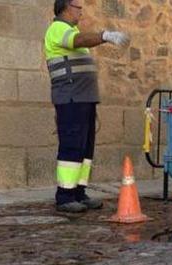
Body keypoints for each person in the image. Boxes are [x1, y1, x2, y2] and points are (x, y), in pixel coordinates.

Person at [43, 0, 128, 213]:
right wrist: (104, 36)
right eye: (77, 7)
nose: (81, 11)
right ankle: (65, 196)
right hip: (70, 98)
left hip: (84, 99)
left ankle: (79, 192)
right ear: (65, 7)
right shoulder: (58, 29)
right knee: (72, 146)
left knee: (85, 148)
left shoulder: (70, 30)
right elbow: (78, 40)